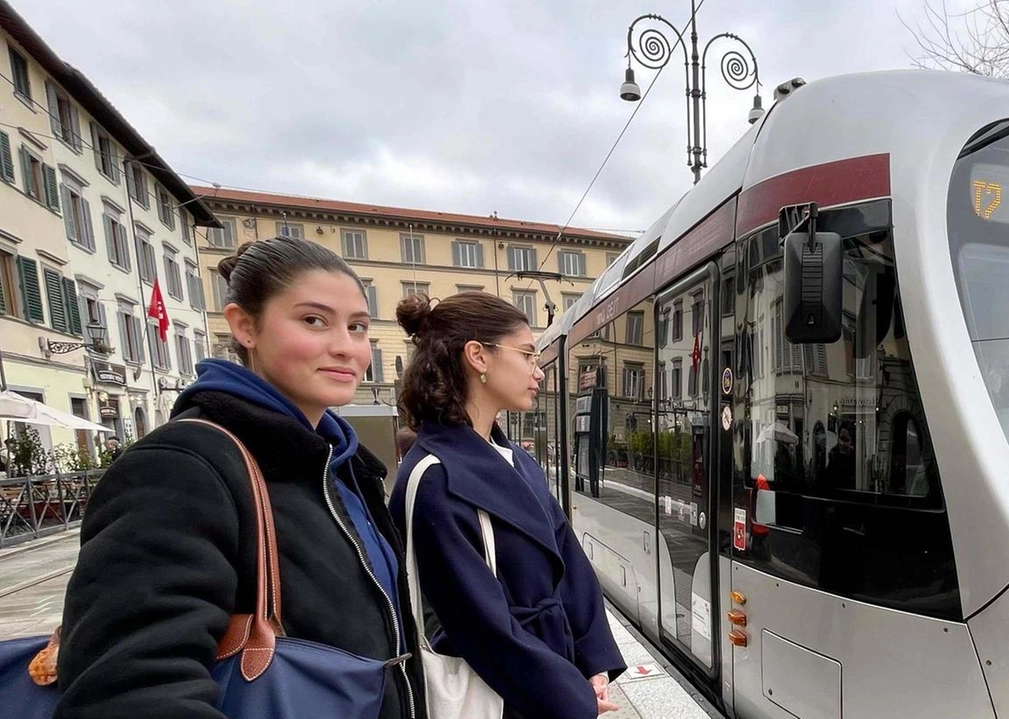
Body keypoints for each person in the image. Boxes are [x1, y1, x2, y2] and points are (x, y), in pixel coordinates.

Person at [55, 236, 421, 719]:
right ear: (244, 326)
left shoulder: (343, 466)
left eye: (357, 327)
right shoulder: (184, 464)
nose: (345, 347)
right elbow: (130, 685)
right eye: (314, 321)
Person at [392, 291, 625, 719]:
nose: (538, 373)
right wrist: (570, 696)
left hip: (549, 673)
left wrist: (593, 662)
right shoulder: (432, 477)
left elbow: (569, 559)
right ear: (478, 357)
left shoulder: (515, 458)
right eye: (527, 356)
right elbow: (480, 626)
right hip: (503, 691)